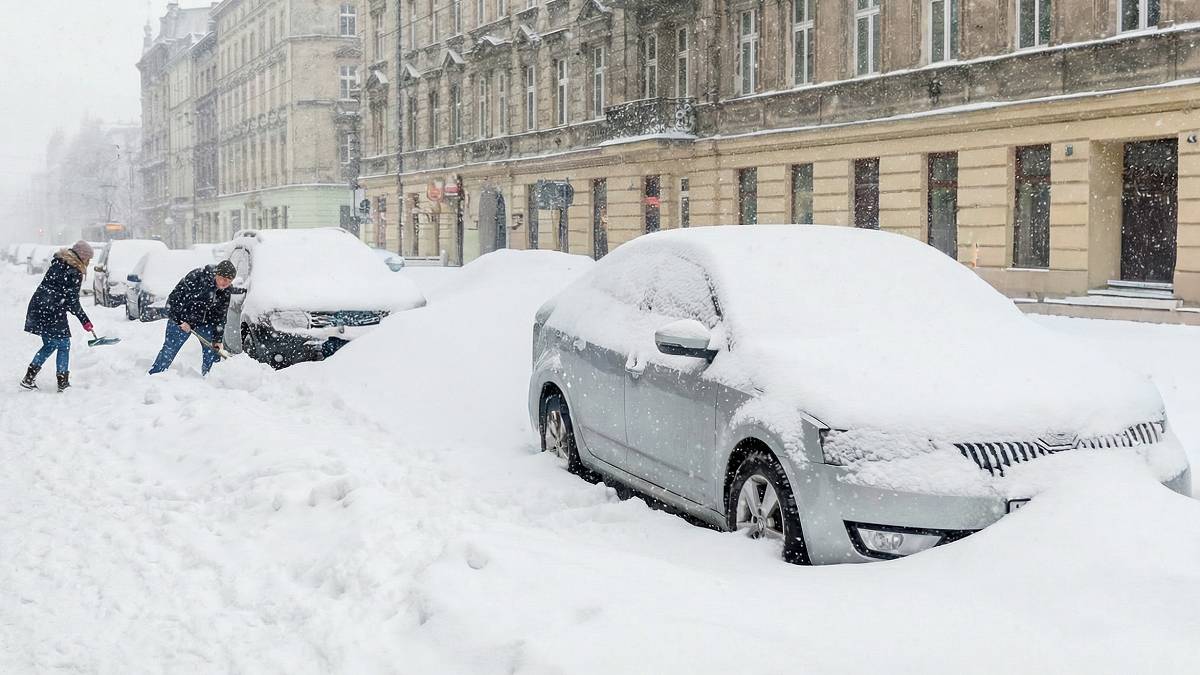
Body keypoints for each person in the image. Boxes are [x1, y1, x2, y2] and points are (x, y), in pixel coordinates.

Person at [21, 241, 95, 392]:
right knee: (63, 345)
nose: (89, 262)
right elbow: (72, 301)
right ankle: (63, 382)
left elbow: (63, 295)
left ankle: (29, 377)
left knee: (50, 344)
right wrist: (85, 321)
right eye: (88, 259)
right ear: (83, 257)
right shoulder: (74, 270)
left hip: (39, 306)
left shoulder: (59, 263)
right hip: (52, 310)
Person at [148, 260, 237, 376]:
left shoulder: (226, 291)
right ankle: (155, 375)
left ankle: (210, 379)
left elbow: (220, 316)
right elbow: (173, 300)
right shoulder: (197, 278)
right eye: (224, 279)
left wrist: (218, 340)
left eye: (229, 281)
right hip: (181, 318)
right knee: (169, 350)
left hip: (205, 322)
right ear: (217, 274)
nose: (226, 283)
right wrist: (180, 321)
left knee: (213, 352)